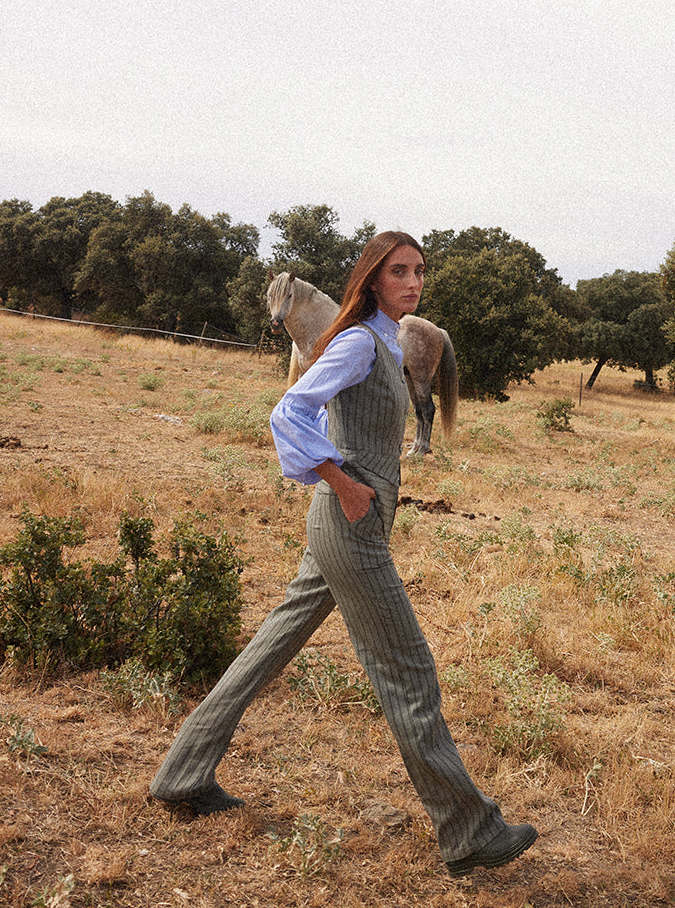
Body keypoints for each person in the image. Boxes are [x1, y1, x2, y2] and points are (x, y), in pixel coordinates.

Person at [150, 231, 537, 877]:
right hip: (350, 523)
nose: (412, 284)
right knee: (407, 668)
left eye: (419, 272)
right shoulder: (358, 341)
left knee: (267, 646)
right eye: (398, 273)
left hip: (356, 520)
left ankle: (182, 774)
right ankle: (468, 830)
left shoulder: (387, 340)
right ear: (373, 279)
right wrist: (343, 482)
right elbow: (290, 411)